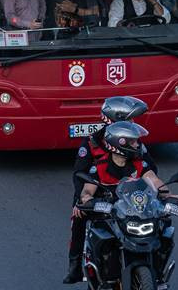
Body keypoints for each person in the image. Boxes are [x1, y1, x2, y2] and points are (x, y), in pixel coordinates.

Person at [64, 97, 154, 284]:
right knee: (78, 218)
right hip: (96, 195)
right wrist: (83, 202)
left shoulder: (133, 141)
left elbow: (151, 170)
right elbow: (80, 174)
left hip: (129, 196)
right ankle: (74, 266)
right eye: (129, 120)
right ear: (115, 120)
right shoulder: (91, 144)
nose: (132, 124)